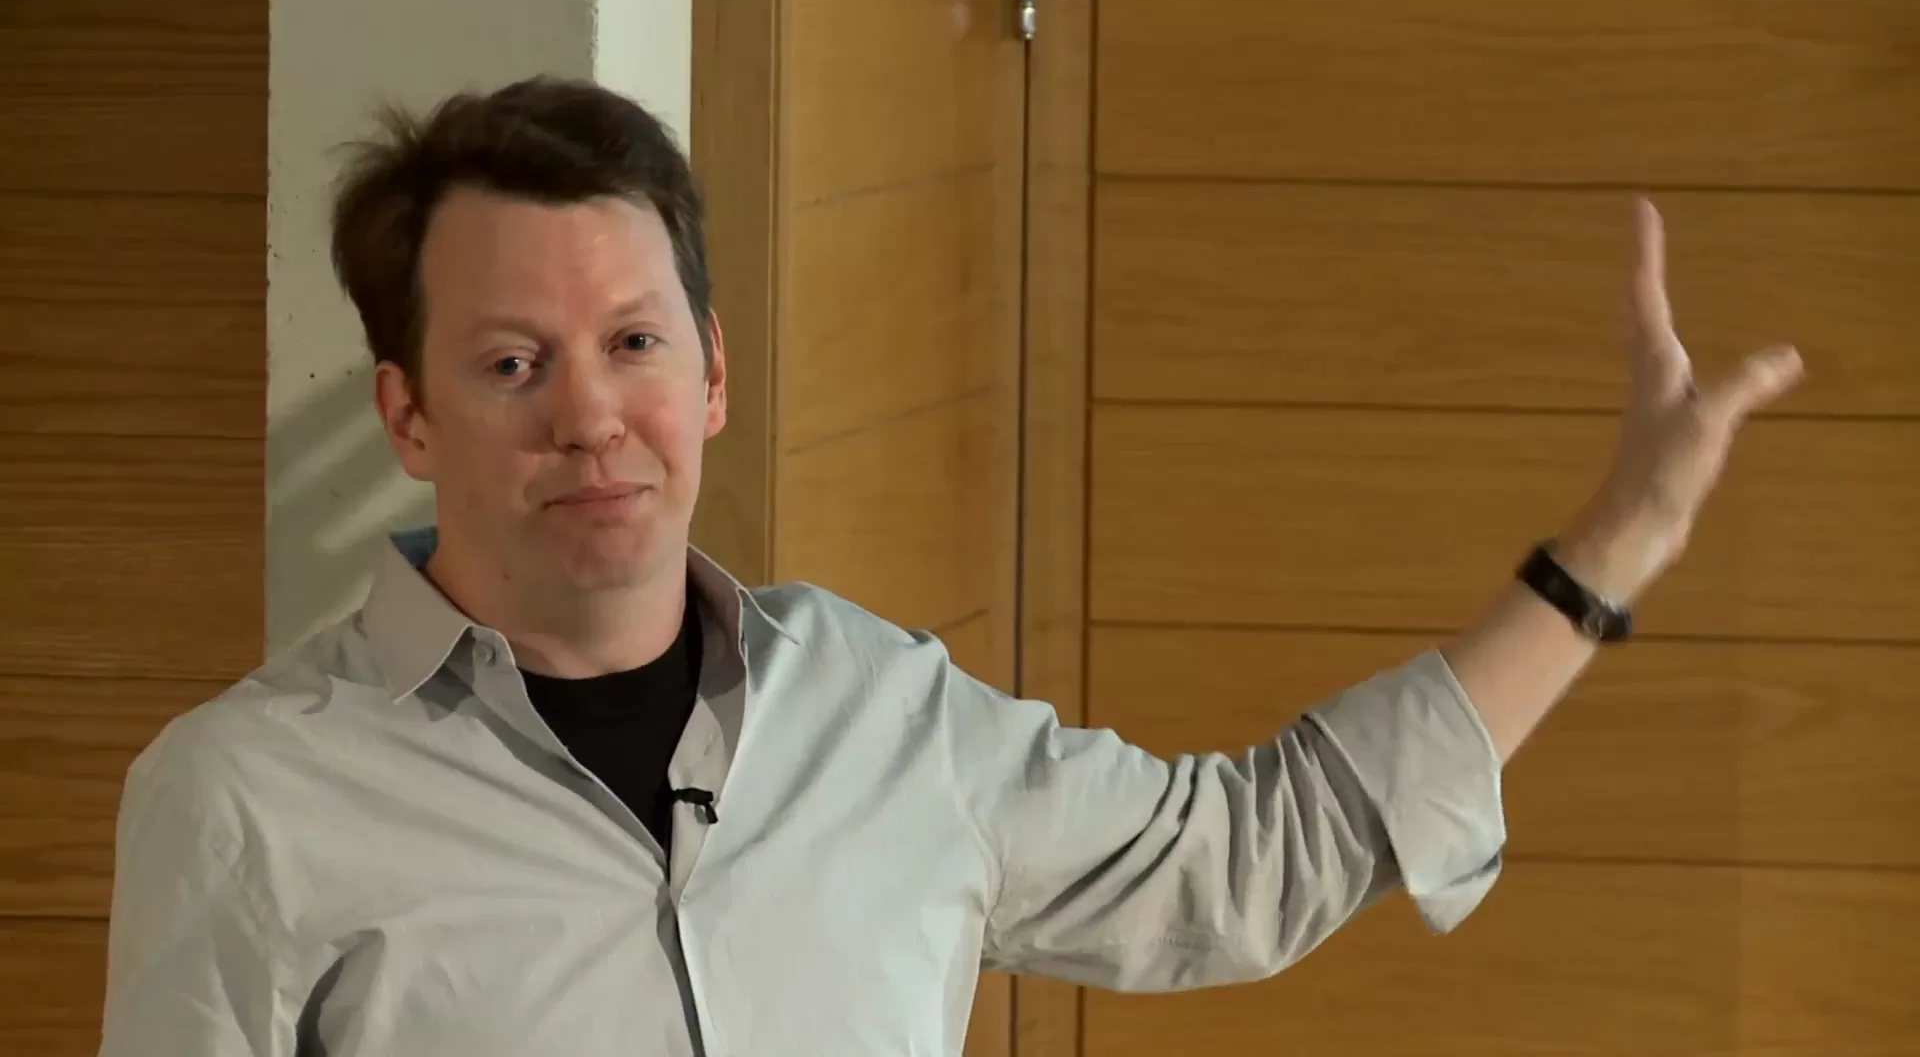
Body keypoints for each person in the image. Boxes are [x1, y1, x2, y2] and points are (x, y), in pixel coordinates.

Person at [97, 76, 1804, 1057]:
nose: (593, 418)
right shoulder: (245, 797)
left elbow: (1252, 859)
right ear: (409, 415)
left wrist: (1621, 542)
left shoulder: (888, 711)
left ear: (713, 374)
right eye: (511, 363)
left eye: (633, 343)